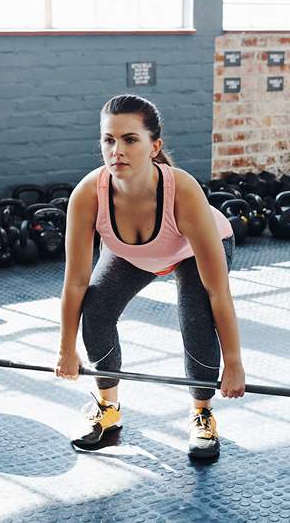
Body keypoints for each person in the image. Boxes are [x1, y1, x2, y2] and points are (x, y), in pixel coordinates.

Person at [55, 94, 245, 459]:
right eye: (108, 140)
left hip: (192, 250)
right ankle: (108, 408)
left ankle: (202, 413)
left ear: (154, 146)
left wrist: (234, 363)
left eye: (130, 140)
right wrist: (66, 349)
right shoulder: (88, 195)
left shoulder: (182, 190)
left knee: (196, 318)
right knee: (96, 308)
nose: (117, 151)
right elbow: (76, 282)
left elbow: (218, 291)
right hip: (133, 254)